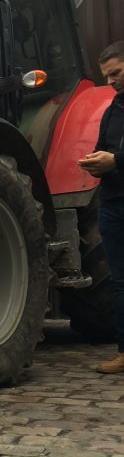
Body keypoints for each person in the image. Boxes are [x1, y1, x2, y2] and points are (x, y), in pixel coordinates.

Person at [80, 42, 124, 372]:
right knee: (119, 280)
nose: (111, 82)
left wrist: (116, 161)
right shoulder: (112, 110)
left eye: (116, 73)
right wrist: (95, 160)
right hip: (112, 204)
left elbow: (115, 156)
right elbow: (102, 148)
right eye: (107, 76)